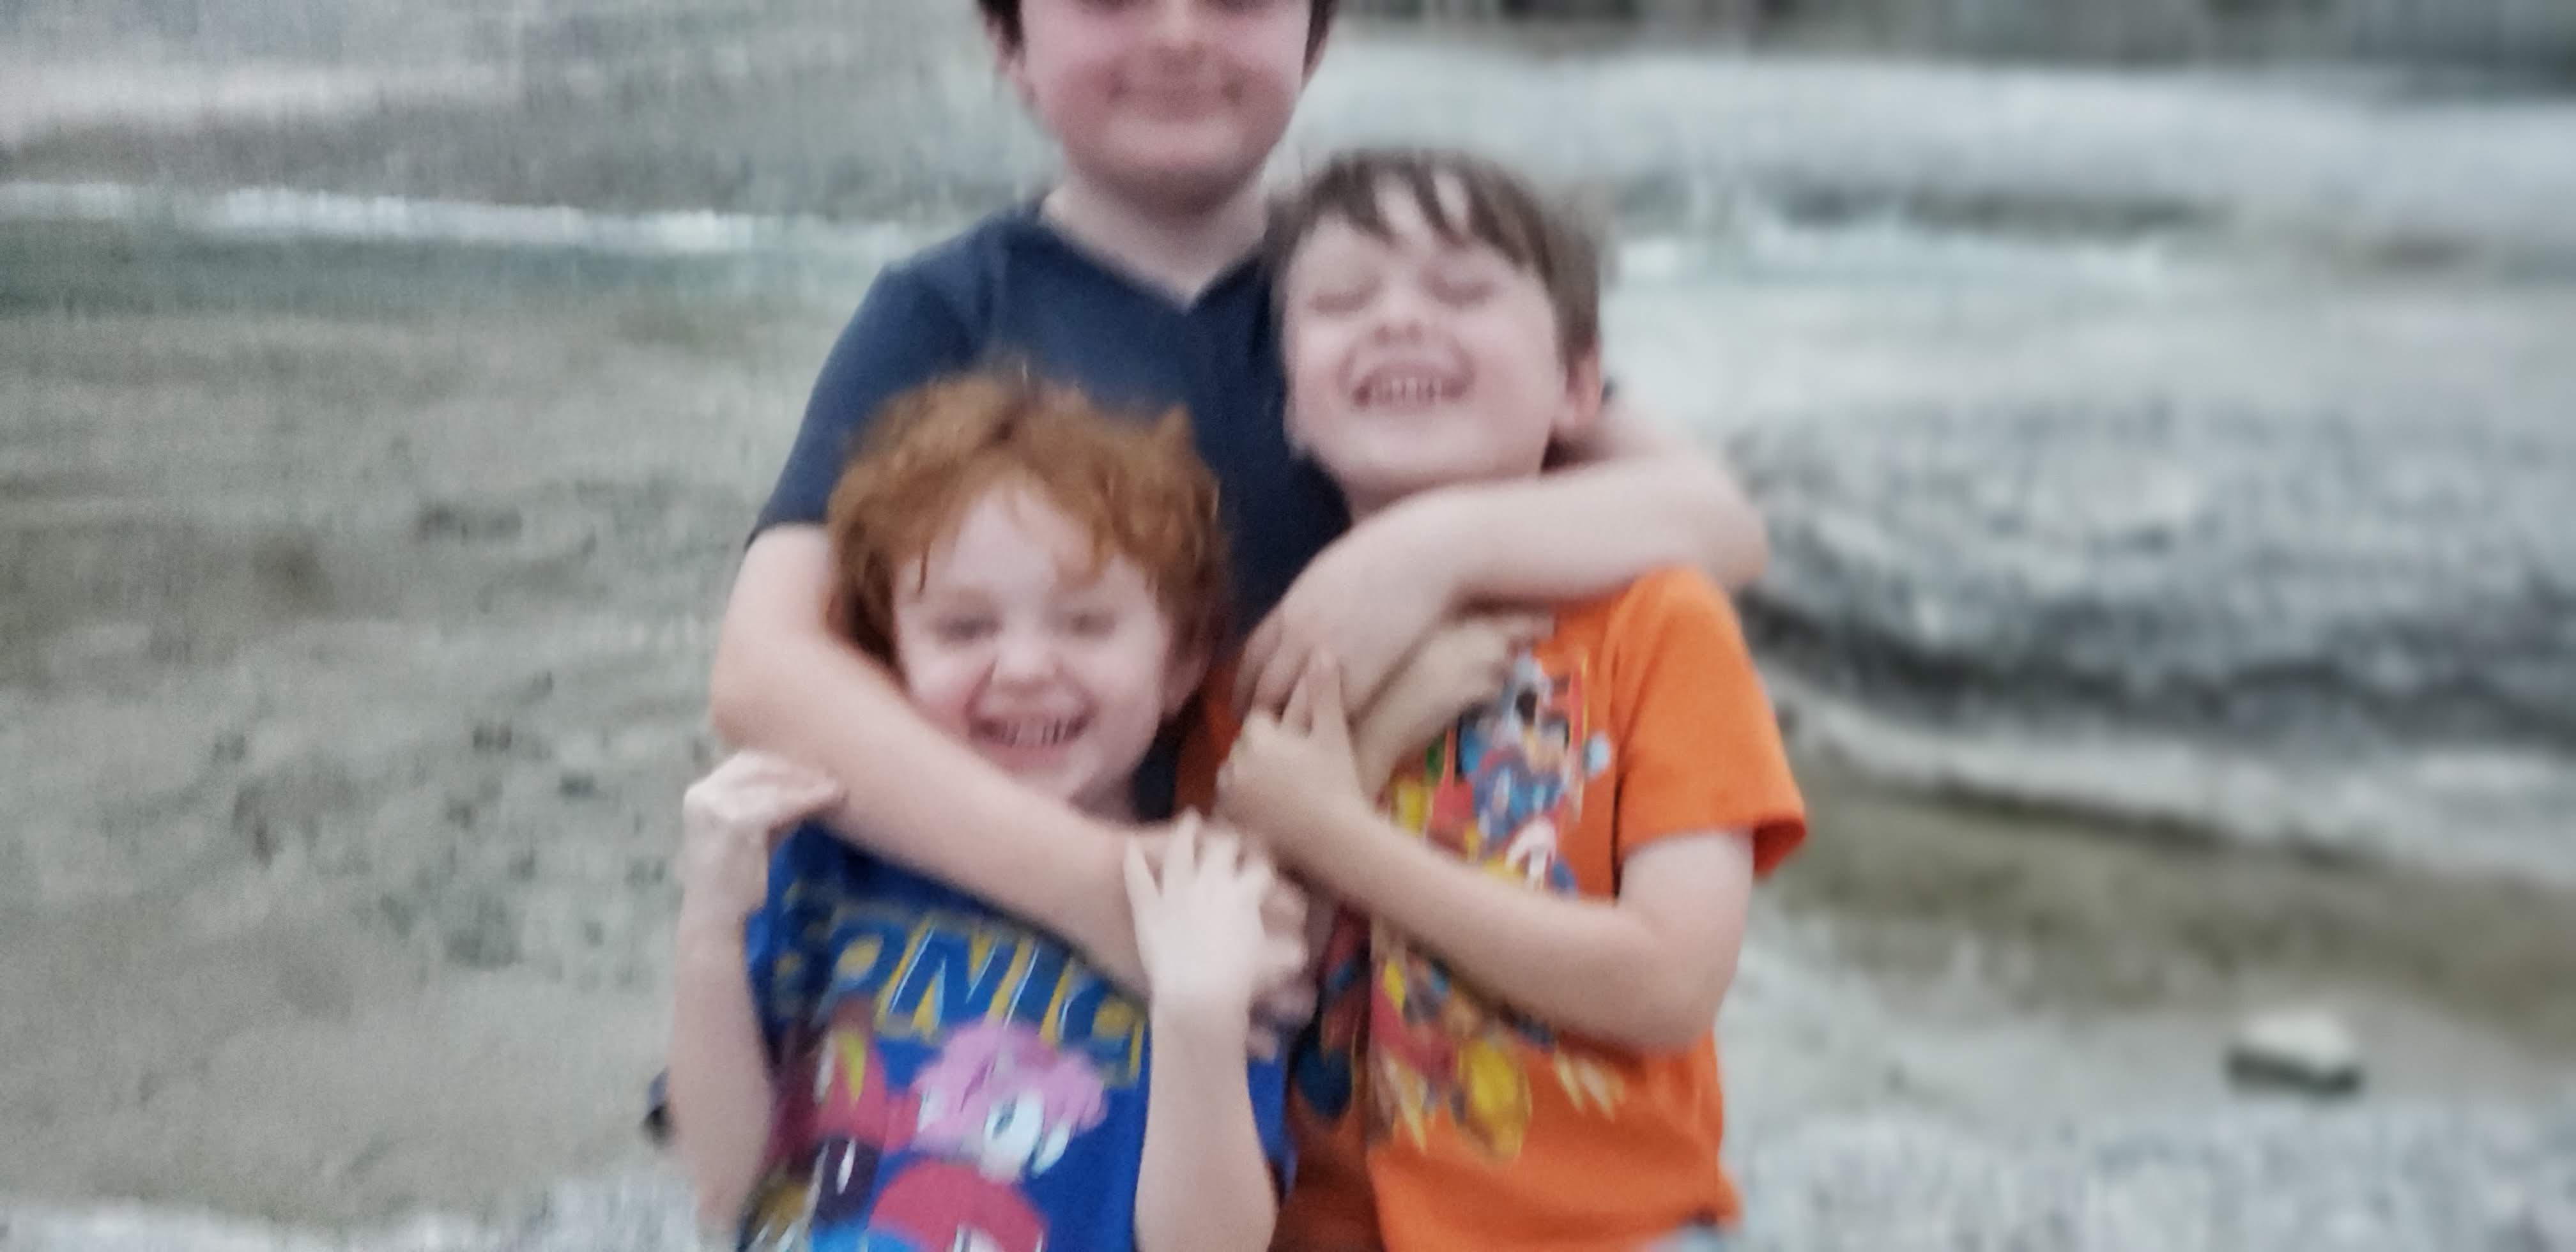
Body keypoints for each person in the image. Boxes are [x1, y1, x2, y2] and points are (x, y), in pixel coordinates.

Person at [706, 0, 1772, 1012]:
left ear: (1315, 34)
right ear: (1010, 42)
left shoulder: (1380, 304)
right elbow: (764, 670)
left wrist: (1435, 550)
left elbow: (1716, 523)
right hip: (1006, 987)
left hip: (1361, 1002)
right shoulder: (942, 314)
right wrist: (1098, 884)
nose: (1178, 34)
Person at [1195, 148, 1809, 1251]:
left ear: (1579, 390)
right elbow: (1229, 973)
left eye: (1462, 290)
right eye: (1343, 299)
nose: (1398, 319)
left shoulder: (1660, 624)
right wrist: (1376, 742)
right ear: (1287, 403)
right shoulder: (1269, 658)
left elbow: (1669, 983)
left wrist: (1343, 835)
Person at [667, 376, 1303, 1251]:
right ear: (890, 657)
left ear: (1184, 660)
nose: (1025, 668)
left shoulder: (1209, 901)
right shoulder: (823, 856)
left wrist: (1197, 1016)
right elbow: (726, 1184)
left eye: (1085, 623)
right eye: (964, 629)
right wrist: (709, 927)